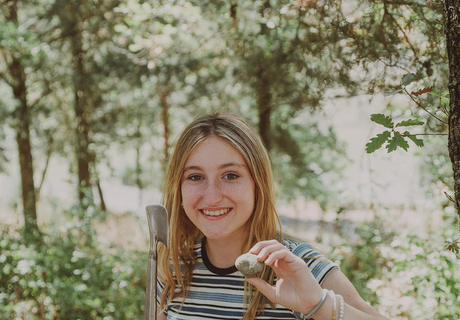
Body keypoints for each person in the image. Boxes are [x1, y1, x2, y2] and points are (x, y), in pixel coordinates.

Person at [156, 113, 390, 320]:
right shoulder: (174, 266)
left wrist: (317, 304)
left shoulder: (298, 266)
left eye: (230, 175)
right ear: (179, 189)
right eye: (195, 177)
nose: (213, 196)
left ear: (257, 185)